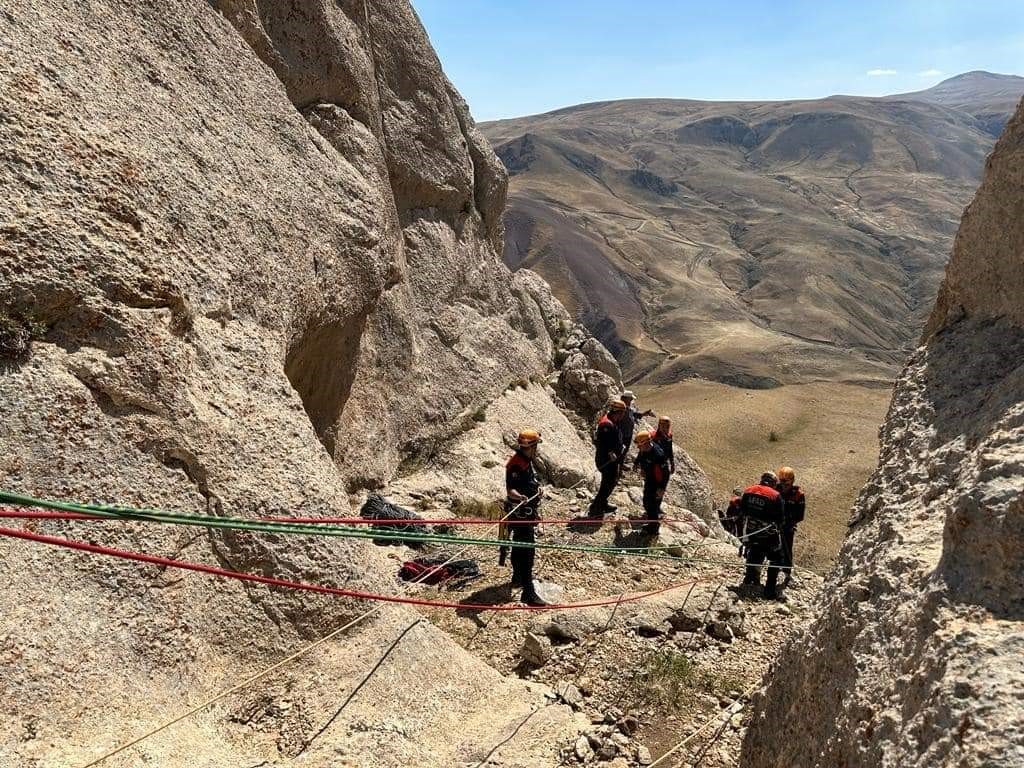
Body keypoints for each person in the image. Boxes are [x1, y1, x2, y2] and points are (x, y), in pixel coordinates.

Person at [504, 429, 546, 606]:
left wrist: (536, 490)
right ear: (532, 446)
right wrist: (520, 497)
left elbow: (527, 482)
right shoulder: (516, 464)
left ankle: (518, 577)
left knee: (519, 546)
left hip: (526, 511)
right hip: (521, 513)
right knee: (527, 549)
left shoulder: (525, 461)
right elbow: (511, 489)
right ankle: (528, 592)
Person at [738, 471, 787, 600]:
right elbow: (781, 519)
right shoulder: (775, 495)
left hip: (751, 531)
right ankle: (769, 589)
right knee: (776, 558)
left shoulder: (749, 490)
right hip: (768, 534)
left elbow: (742, 511)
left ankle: (750, 579)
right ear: (773, 483)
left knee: (754, 553)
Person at [588, 400, 628, 518]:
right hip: (606, 460)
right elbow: (602, 442)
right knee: (607, 484)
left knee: (609, 483)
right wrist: (611, 452)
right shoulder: (606, 424)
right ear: (618, 412)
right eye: (622, 412)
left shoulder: (613, 421)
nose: (623, 415)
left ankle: (602, 503)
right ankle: (596, 508)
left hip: (611, 459)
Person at [633, 431, 671, 536]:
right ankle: (652, 522)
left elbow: (666, 473)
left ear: (646, 443)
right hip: (650, 479)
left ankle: (653, 529)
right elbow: (641, 455)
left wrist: (662, 488)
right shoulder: (644, 449)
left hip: (657, 483)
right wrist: (637, 464)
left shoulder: (658, 454)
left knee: (652, 506)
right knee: (646, 502)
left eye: (640, 445)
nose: (638, 448)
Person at [776, 466, 805, 587]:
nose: (783, 484)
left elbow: (800, 515)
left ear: (792, 481)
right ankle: (773, 570)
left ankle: (787, 573)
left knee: (787, 550)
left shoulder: (798, 495)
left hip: (788, 527)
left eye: (786, 481)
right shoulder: (775, 490)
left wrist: (789, 522)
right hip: (774, 525)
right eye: (781, 481)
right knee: (773, 548)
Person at [618, 390, 655, 471]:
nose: (631, 401)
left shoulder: (629, 409)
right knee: (620, 451)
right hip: (621, 435)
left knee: (625, 450)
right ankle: (617, 468)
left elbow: (635, 414)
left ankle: (620, 465)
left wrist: (646, 413)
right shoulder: (621, 409)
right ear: (625, 399)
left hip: (628, 434)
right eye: (630, 399)